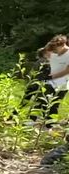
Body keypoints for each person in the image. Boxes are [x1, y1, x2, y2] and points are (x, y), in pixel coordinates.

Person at [41, 34, 69, 165]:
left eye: (56, 47)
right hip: (51, 82)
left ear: (62, 45)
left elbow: (67, 70)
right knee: (45, 101)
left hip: (62, 83)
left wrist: (53, 76)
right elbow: (45, 52)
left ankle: (50, 126)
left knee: (54, 105)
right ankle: (44, 123)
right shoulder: (54, 53)